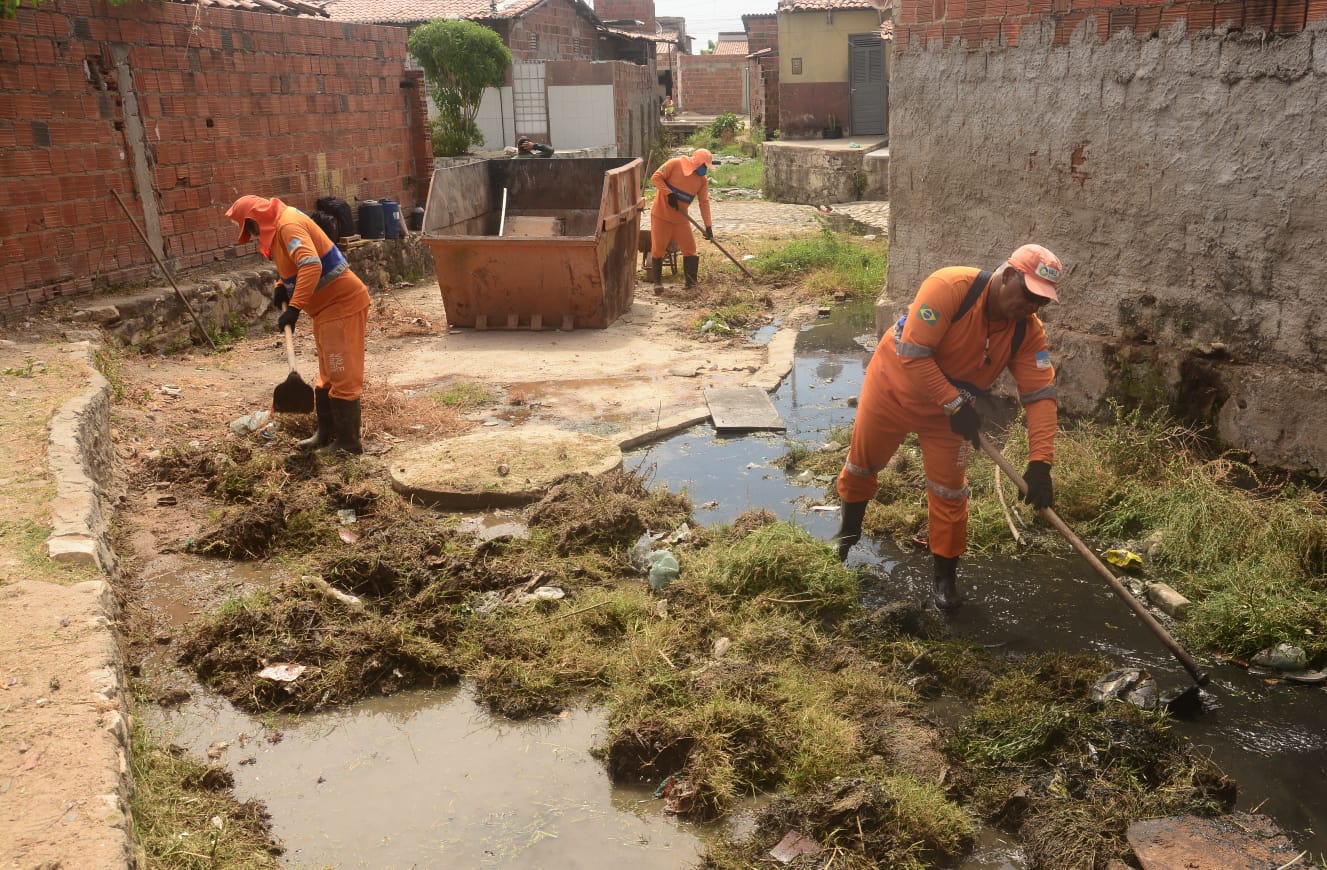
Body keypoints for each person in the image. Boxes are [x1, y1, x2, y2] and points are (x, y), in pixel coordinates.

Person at [834, 244, 1064, 610]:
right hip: (892, 390)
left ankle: (944, 585)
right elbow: (913, 353)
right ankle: (845, 539)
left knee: (950, 492)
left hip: (948, 416)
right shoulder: (950, 287)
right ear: (1007, 276)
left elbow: (1040, 395)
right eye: (1029, 295)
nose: (1032, 307)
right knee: (862, 465)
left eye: (1043, 302)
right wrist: (956, 403)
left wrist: (1041, 463)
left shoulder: (1026, 332)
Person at [225, 195, 371, 455]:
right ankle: (326, 434)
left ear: (255, 217)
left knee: (342, 373)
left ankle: (349, 443)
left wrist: (294, 308)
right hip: (326, 310)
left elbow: (311, 265)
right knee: (328, 374)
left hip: (342, 305)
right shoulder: (282, 225)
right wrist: (282, 287)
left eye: (251, 228)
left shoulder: (288, 224)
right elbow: (294, 265)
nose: (253, 234)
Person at [647, 148, 714, 293]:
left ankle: (691, 284)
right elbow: (655, 177)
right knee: (658, 249)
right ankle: (657, 283)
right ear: (696, 162)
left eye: (706, 168)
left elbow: (704, 202)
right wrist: (669, 193)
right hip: (661, 215)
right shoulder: (674, 164)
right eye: (703, 166)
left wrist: (708, 226)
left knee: (690, 250)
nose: (704, 170)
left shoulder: (702, 181)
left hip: (681, 219)